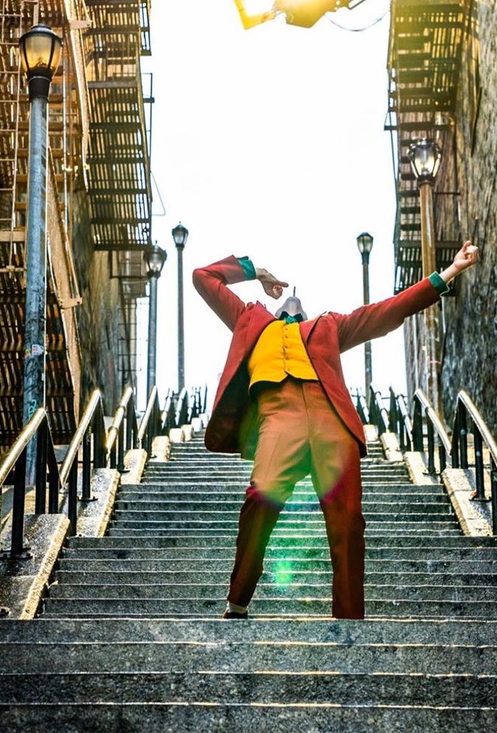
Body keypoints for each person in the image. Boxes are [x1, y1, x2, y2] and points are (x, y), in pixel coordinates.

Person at [193, 239, 480, 620]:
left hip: (333, 422)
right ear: (274, 309)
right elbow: (203, 277)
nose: (292, 305)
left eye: (299, 305)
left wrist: (451, 272)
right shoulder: (249, 319)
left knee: (347, 521)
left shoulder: (328, 326)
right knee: (261, 496)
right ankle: (239, 598)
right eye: (285, 304)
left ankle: (349, 620)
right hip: (279, 418)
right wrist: (255, 272)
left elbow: (386, 311)